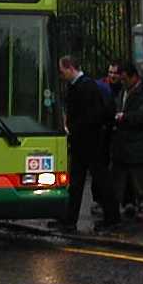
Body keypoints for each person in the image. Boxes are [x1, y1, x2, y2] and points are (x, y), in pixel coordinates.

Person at [50, 55, 120, 233]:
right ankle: (69, 220)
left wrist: (75, 128)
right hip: (83, 141)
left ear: (70, 68)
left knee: (100, 180)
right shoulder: (78, 86)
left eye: (62, 71)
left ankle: (112, 218)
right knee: (77, 182)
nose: (61, 75)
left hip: (90, 141)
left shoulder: (86, 87)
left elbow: (92, 115)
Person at [112, 61, 143, 221]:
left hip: (138, 143)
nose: (122, 82)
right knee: (122, 178)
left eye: (124, 79)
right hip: (123, 143)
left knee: (140, 178)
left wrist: (125, 117)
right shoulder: (124, 92)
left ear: (134, 77)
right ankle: (127, 203)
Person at [90, 61, 122, 216]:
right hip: (103, 132)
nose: (112, 76)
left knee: (116, 167)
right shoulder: (101, 87)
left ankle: (119, 200)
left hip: (117, 133)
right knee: (101, 166)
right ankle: (99, 200)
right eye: (110, 72)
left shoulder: (123, 90)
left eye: (115, 73)